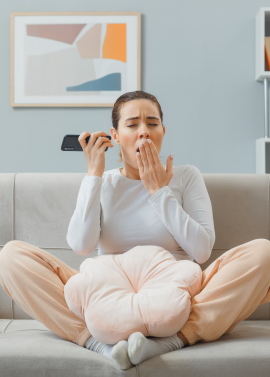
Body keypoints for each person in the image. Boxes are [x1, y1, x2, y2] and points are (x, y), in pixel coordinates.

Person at [0, 90, 270, 371]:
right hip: (105, 296)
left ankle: (173, 339)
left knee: (263, 252)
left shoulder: (187, 176)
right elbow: (81, 245)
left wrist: (158, 191)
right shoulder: (102, 181)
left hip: (179, 294)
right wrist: (93, 176)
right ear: (114, 136)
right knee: (11, 257)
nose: (144, 133)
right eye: (132, 125)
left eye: (152, 124)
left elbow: (201, 251)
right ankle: (98, 342)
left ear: (163, 132)